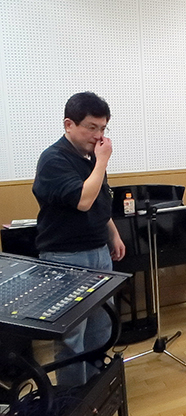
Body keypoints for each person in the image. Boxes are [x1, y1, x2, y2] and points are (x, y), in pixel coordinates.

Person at [32, 91, 126, 386]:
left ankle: (95, 391)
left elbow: (99, 199)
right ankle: (73, 398)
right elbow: (83, 200)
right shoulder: (53, 159)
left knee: (101, 328)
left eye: (103, 128)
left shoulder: (90, 159)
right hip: (66, 257)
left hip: (98, 251)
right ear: (69, 124)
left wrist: (113, 234)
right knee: (72, 337)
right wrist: (102, 162)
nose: (98, 136)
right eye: (91, 127)